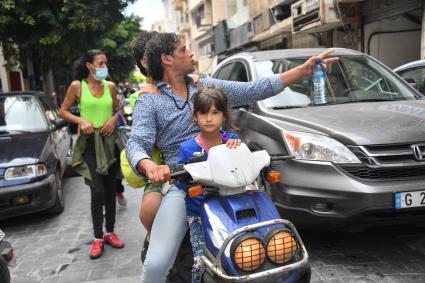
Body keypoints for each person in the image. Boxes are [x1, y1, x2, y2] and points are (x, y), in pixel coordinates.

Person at [126, 32, 338, 282]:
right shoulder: (149, 101)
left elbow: (254, 90)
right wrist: (149, 164)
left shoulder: (206, 87)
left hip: (232, 178)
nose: (192, 53)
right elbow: (136, 142)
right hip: (185, 184)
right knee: (156, 264)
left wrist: (301, 71)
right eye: (184, 50)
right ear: (167, 59)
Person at [59, 49, 125, 260]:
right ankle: (98, 237)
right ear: (89, 65)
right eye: (100, 63)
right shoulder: (77, 86)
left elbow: (117, 110)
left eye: (105, 63)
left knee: (110, 189)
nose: (104, 67)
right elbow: (63, 111)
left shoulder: (111, 87)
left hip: (110, 143)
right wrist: (81, 121)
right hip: (88, 145)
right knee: (97, 191)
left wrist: (114, 119)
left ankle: (110, 232)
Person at [177, 86, 241, 282]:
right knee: (201, 260)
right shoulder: (187, 149)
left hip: (231, 209)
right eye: (203, 113)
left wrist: (236, 150)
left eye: (215, 112)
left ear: (224, 116)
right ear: (195, 116)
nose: (209, 118)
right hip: (199, 214)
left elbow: (242, 169)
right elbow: (182, 183)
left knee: (238, 255)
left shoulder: (232, 141)